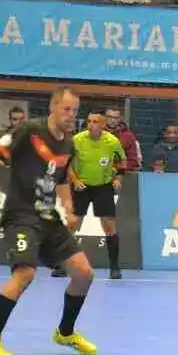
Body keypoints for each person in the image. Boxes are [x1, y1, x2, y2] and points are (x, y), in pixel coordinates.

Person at [0, 87, 98, 355]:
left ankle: (65, 332)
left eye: (75, 111)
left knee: (84, 274)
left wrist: (68, 207)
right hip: (21, 215)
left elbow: (63, 178)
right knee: (25, 274)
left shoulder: (68, 143)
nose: (71, 116)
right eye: (67, 109)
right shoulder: (30, 130)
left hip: (48, 217)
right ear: (53, 107)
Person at [50, 111, 126, 280]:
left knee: (109, 227)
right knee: (72, 224)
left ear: (103, 124)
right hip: (81, 187)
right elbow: (67, 164)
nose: (91, 124)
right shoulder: (77, 140)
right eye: (89, 121)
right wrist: (75, 180)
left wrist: (118, 178)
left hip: (103, 186)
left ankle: (115, 267)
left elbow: (122, 161)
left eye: (95, 121)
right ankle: (60, 264)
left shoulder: (112, 142)